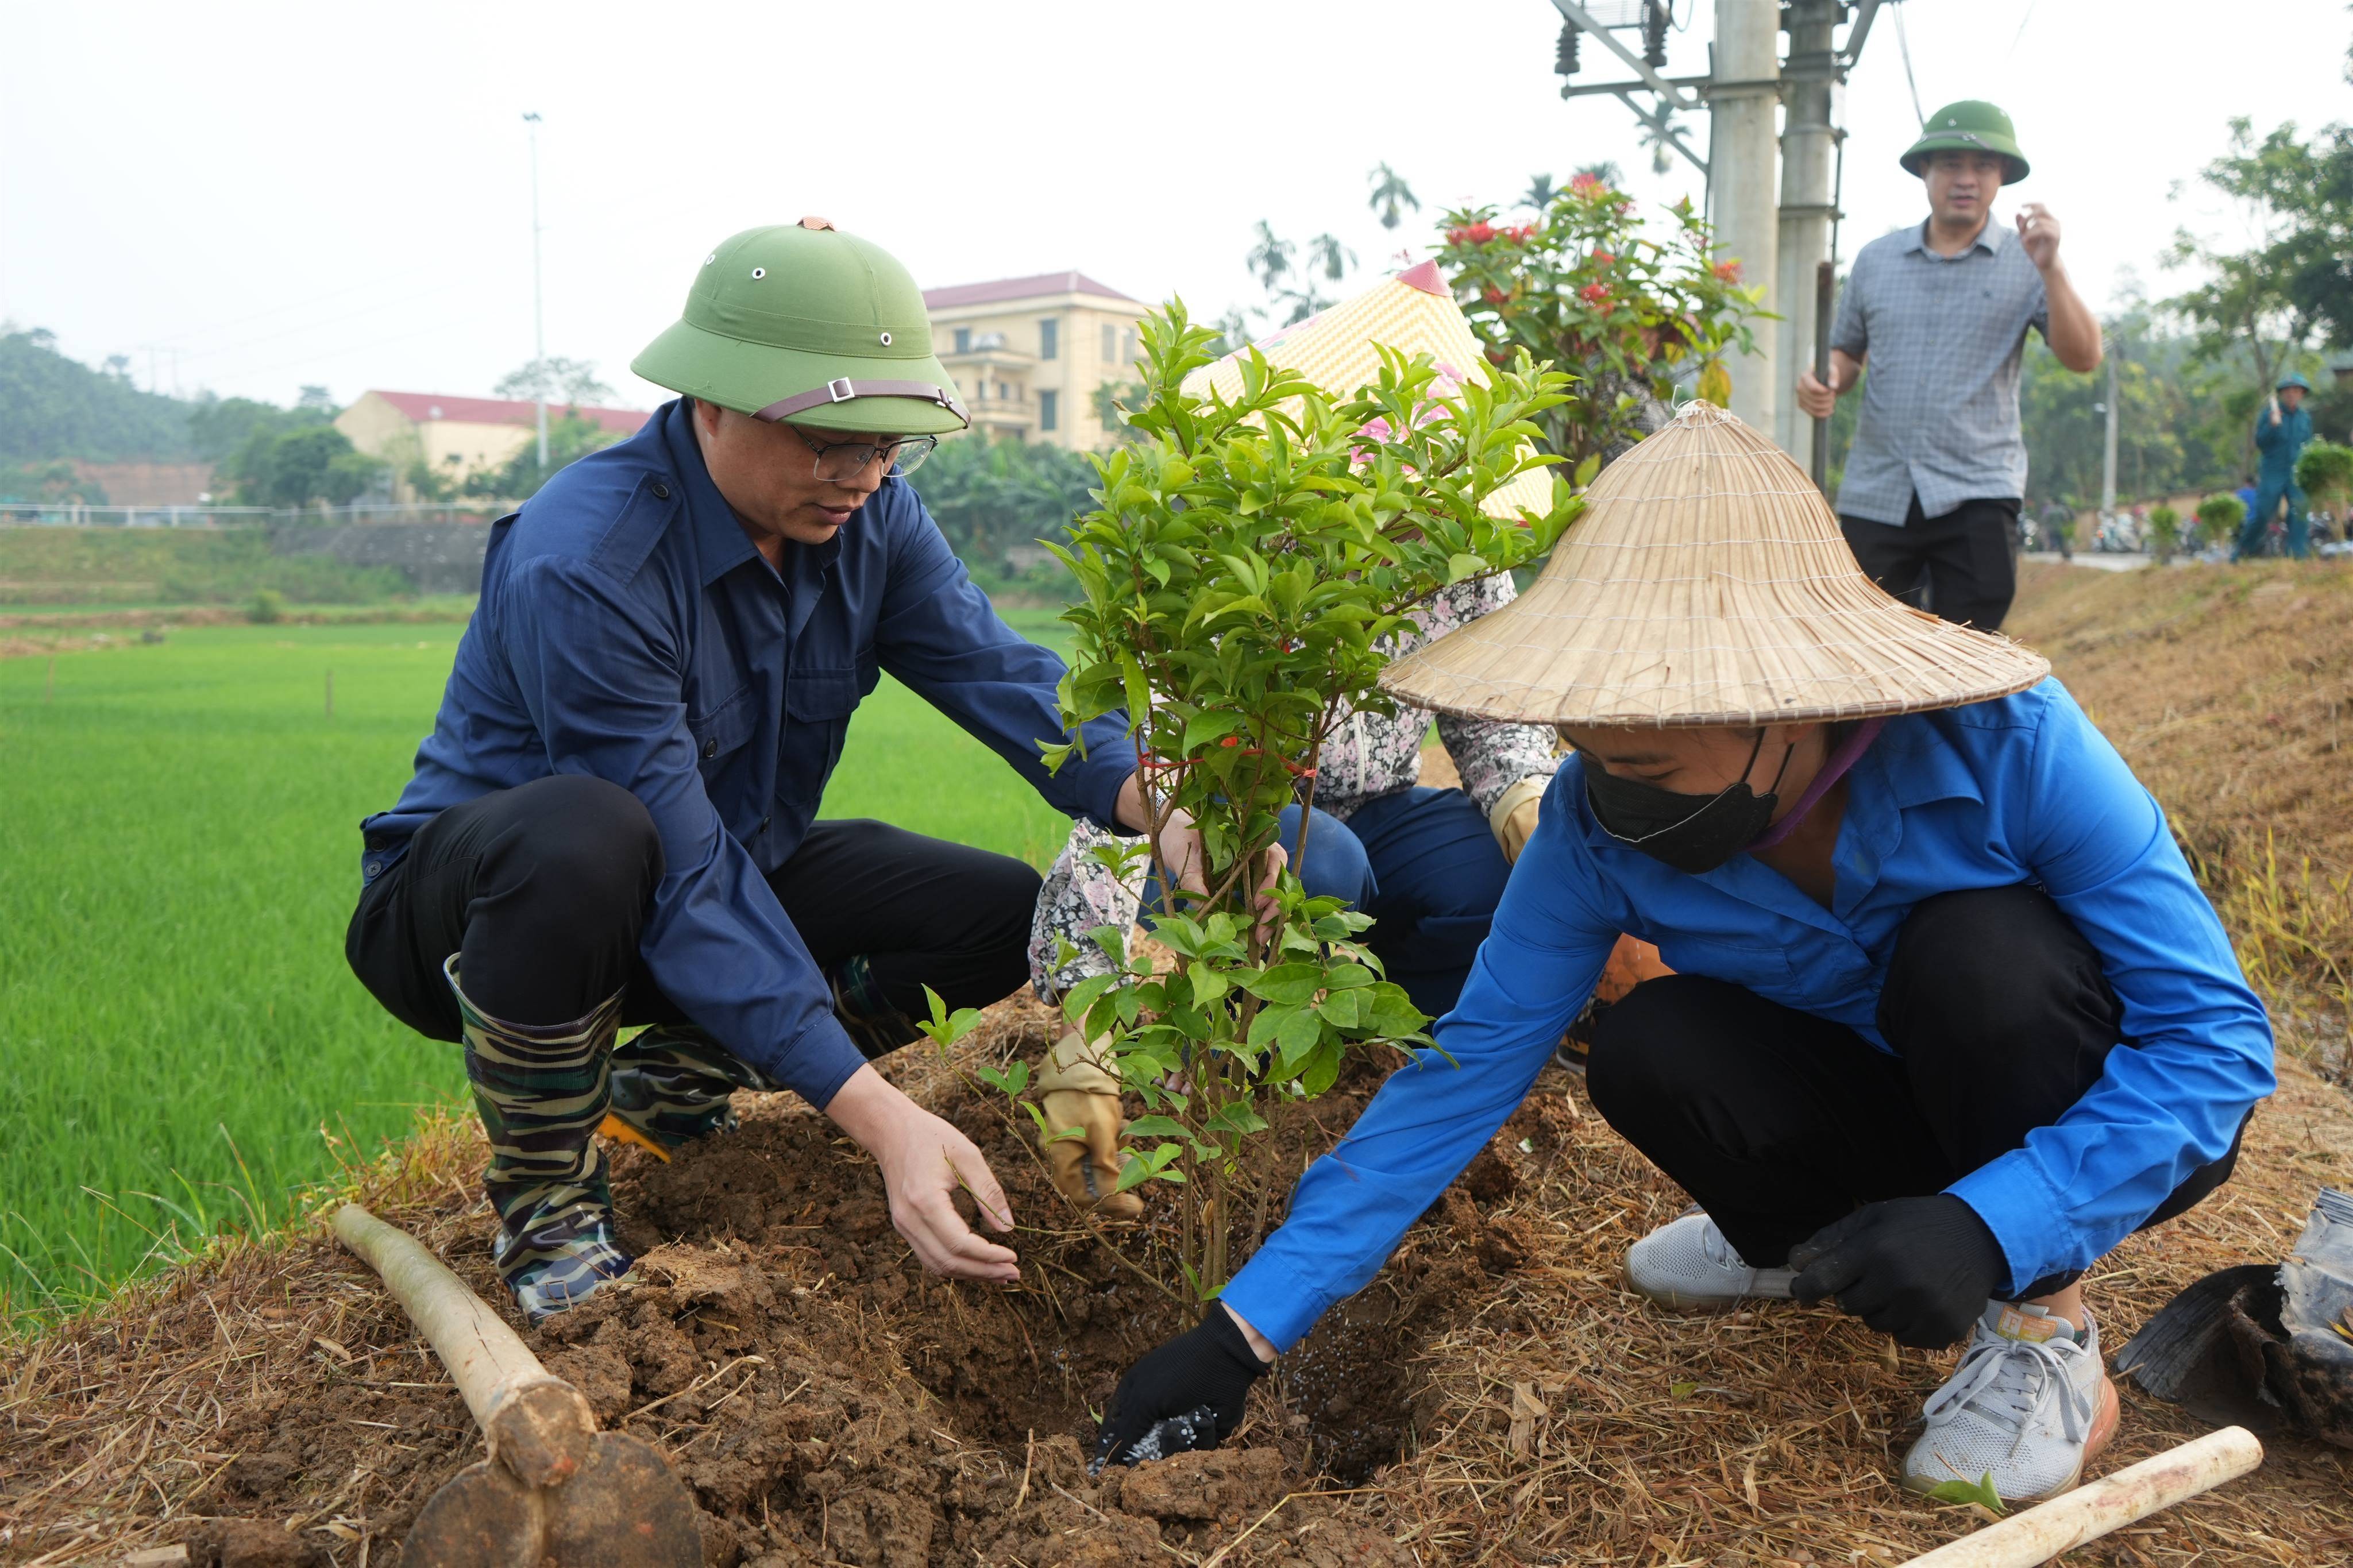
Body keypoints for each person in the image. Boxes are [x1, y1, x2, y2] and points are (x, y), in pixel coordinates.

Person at [1095, 404, 2273, 1504]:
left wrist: (1995, 1225)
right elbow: (1468, 1067)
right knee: (1649, 1043)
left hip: (2051, 1087)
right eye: (1588, 755)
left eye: (1646, 769)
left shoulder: (2008, 747)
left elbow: (2215, 1046)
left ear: (1787, 704)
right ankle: (1815, 1241)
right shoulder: (1590, 827)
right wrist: (1239, 1332)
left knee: (1976, 957)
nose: (1608, 795)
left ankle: (2044, 1332)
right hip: (1879, 1097)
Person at [344, 221, 1223, 1320]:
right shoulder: (590, 558)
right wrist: (879, 1116)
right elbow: (675, 866)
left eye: (889, 445)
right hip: (498, 915)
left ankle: (663, 1087)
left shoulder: (875, 522)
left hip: (721, 876)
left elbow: (1004, 676)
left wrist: (1161, 800)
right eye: (830, 441)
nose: (861, 474)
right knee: (587, 833)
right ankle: (548, 1205)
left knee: (994, 913)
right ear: (712, 401)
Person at [1023, 571, 1560, 1215]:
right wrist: (1088, 1000)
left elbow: (1487, 707)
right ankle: (1246, 1060)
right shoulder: (1252, 536)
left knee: (1493, 876)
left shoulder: (1460, 552)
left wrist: (1525, 799)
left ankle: (1368, 1037)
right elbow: (1137, 763)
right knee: (1326, 864)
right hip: (1231, 817)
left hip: (1380, 806)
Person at [1796, 101, 2103, 631]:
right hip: (1879, 489)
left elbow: (2083, 357)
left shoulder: (2029, 261)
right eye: (1950, 166)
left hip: (1977, 491)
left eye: (1982, 166)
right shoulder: (1876, 260)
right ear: (1924, 172)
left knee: (1971, 647)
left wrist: (2052, 268)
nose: (1966, 179)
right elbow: (1846, 352)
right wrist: (1828, 379)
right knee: (1864, 640)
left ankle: (1957, 721)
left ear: (2002, 176)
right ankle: (1879, 722)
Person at [2234, 372, 2314, 561]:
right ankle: (2244, 551)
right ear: (2281, 394)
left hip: (2296, 472)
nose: (2291, 394)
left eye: (2296, 390)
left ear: (2302, 393)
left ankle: (2297, 555)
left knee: (2300, 510)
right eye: (2287, 391)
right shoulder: (2269, 415)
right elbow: (2260, 442)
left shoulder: (2305, 418)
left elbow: (2308, 444)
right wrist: (2271, 425)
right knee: (2263, 513)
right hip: (2273, 471)